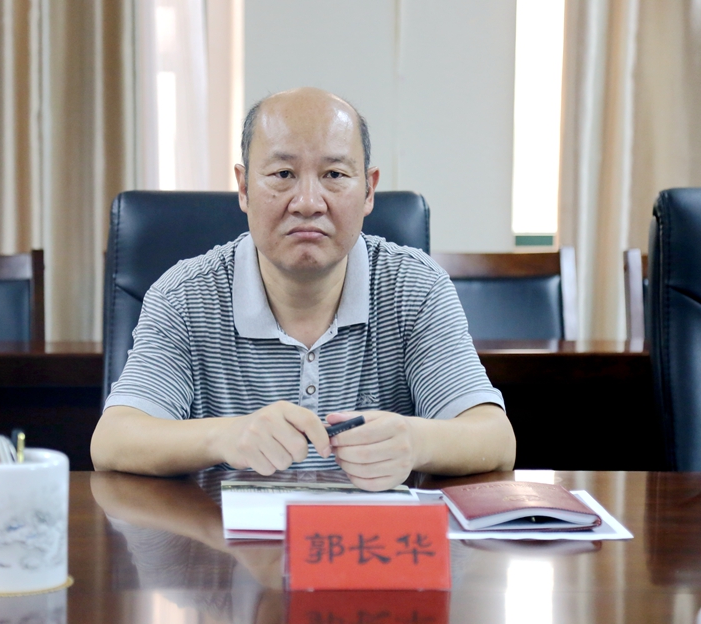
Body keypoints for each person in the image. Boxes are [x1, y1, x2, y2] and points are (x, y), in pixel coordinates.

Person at [91, 87, 515, 491]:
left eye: (334, 174)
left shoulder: (414, 286)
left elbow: (495, 439)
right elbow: (113, 440)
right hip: (223, 538)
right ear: (244, 188)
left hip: (370, 538)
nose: (308, 202)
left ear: (369, 190)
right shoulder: (185, 295)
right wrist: (225, 435)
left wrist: (416, 441)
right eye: (283, 174)